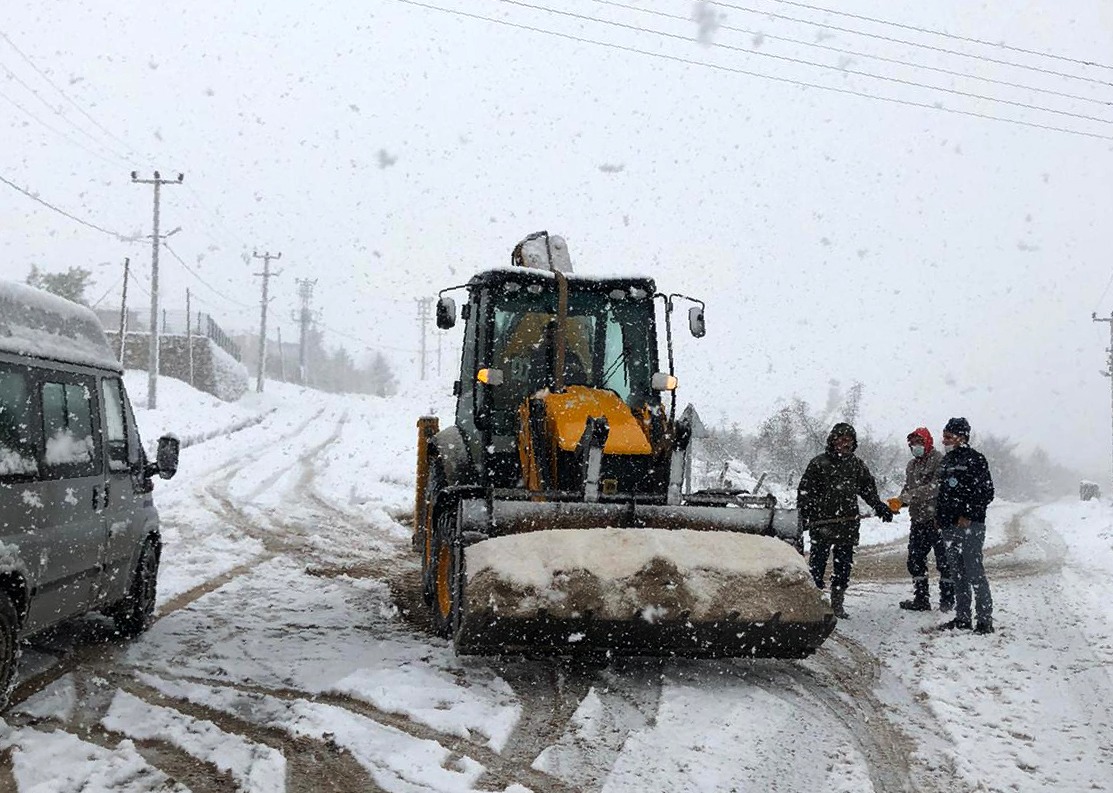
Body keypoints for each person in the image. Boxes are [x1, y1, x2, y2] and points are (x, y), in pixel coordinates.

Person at [797, 422, 894, 619]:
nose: (845, 443)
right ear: (832, 440)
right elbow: (804, 491)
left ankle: (837, 604)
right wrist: (805, 513)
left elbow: (867, 490)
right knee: (817, 565)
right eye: (841, 439)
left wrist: (879, 505)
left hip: (847, 525)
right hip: (822, 524)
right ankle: (814, 604)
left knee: (843, 567)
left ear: (854, 443)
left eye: (849, 440)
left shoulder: (857, 465)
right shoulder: (819, 463)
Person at [935, 417, 996, 634]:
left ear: (962, 437)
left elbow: (986, 493)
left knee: (974, 571)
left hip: (971, 526)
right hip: (949, 527)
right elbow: (942, 494)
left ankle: (984, 620)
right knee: (957, 573)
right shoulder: (946, 461)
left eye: (949, 436)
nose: (945, 440)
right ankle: (962, 617)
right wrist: (940, 517)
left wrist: (968, 514)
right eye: (944, 436)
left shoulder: (975, 460)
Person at [897, 427, 953, 612]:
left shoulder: (939, 460)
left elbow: (936, 487)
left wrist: (910, 496)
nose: (916, 447)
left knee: (944, 562)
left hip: (937, 520)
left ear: (927, 442)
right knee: (915, 560)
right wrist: (898, 501)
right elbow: (908, 488)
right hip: (918, 520)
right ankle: (921, 598)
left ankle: (947, 600)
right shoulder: (911, 465)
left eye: (919, 442)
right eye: (913, 444)